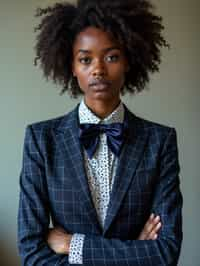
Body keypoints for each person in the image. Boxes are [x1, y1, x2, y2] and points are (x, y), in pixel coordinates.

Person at [17, 0, 183, 265]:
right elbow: (32, 251)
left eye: (112, 57)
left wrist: (73, 244)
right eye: (85, 59)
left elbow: (166, 253)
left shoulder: (160, 141)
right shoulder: (40, 140)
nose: (98, 69)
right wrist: (133, 251)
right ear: (71, 66)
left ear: (128, 60)